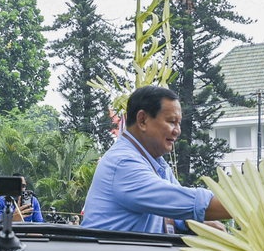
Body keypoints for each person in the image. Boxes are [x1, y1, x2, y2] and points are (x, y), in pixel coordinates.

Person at [81, 85, 229, 234]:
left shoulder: (157, 164)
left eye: (179, 123)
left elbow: (175, 211)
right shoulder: (123, 163)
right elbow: (179, 201)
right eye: (171, 121)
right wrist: (245, 207)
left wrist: (193, 224)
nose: (177, 131)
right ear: (142, 120)